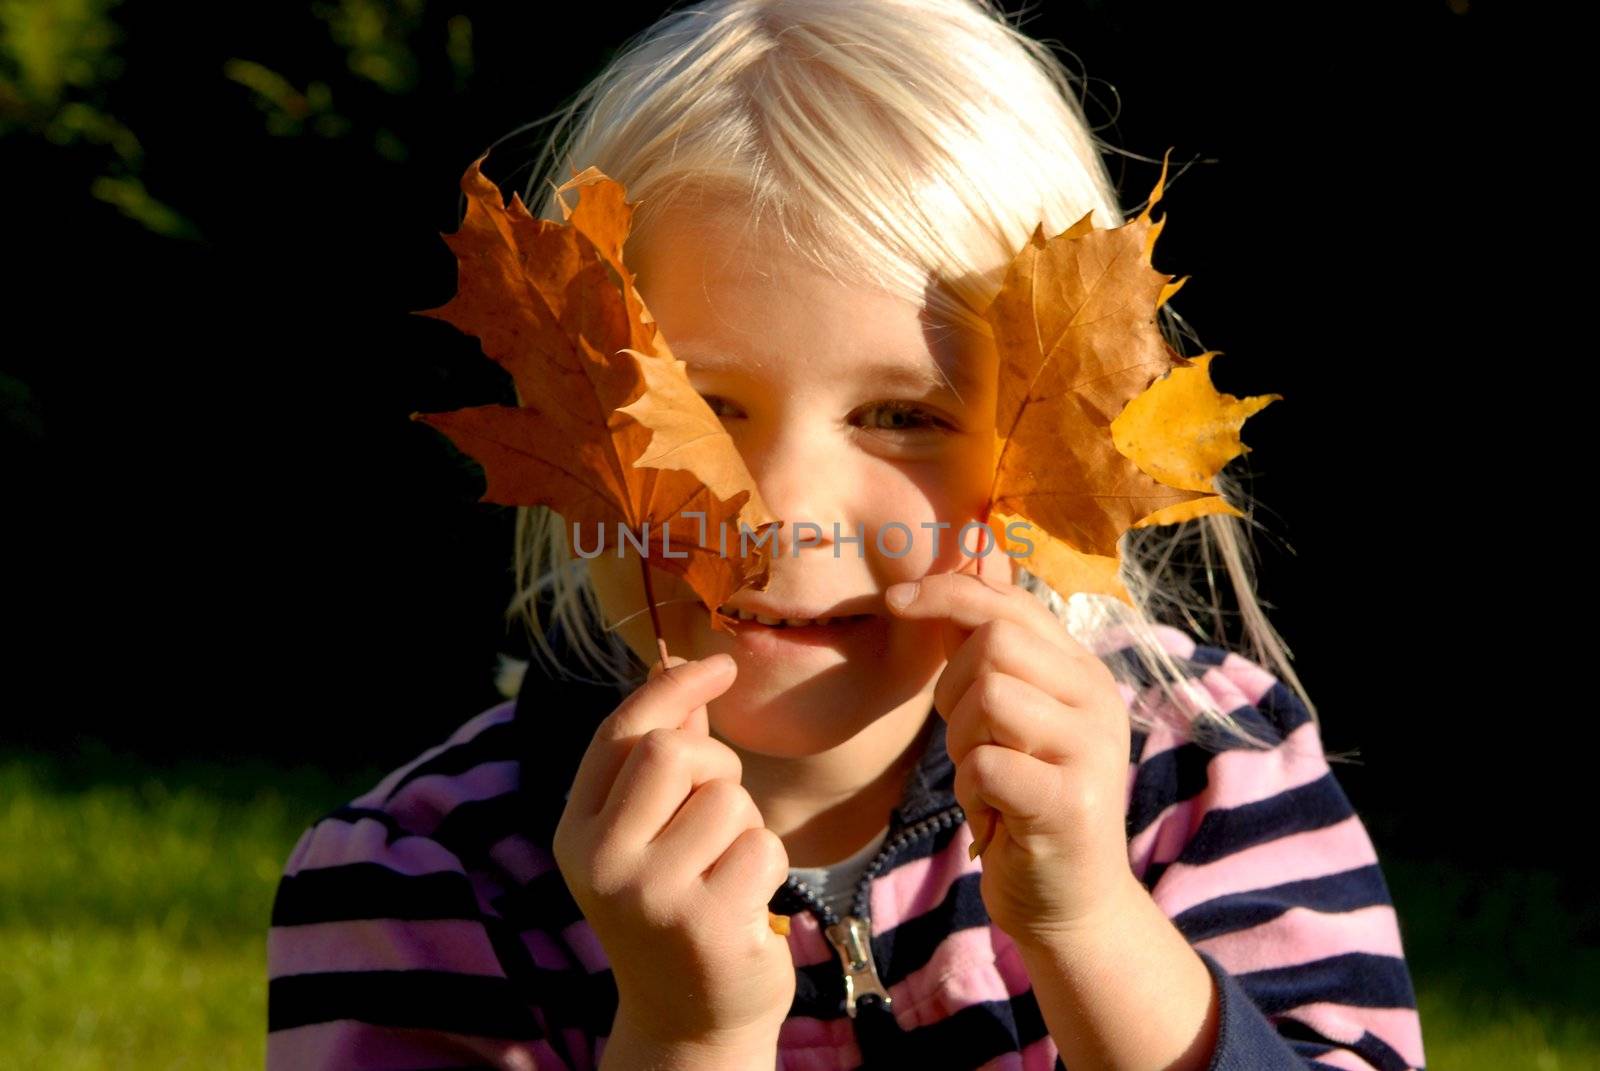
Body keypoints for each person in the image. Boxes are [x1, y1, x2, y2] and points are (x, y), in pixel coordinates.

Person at [266, 1, 1427, 1068]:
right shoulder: (422, 889)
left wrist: (1091, 925)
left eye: (902, 417)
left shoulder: (1199, 774)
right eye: (705, 408)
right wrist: (684, 1033)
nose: (777, 511)